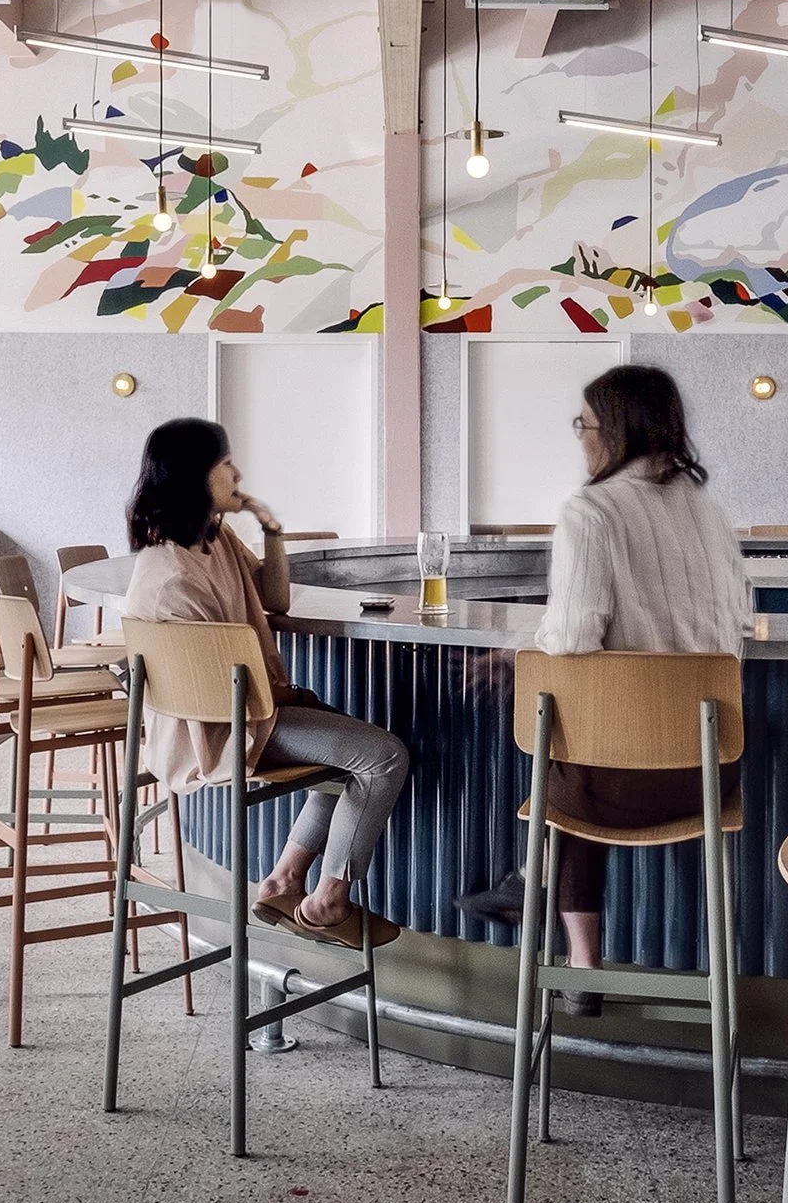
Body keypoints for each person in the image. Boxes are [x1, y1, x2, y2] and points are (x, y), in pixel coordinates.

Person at [456, 365, 749, 1013]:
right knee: (585, 743)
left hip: (616, 789)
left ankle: (558, 922)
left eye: (583, 425)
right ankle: (550, 910)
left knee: (567, 743)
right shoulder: (708, 512)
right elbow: (735, 625)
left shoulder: (590, 511)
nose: (580, 439)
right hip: (708, 776)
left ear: (612, 431)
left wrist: (514, 657)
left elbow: (572, 635)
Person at [122, 418, 411, 948]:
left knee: (350, 747)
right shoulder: (173, 576)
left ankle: (281, 882)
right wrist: (288, 698)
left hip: (242, 713)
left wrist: (272, 529)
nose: (237, 473)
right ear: (197, 476)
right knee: (383, 756)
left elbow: (274, 600)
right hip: (219, 731)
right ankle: (326, 903)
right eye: (225, 463)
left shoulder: (214, 539)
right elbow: (222, 694)